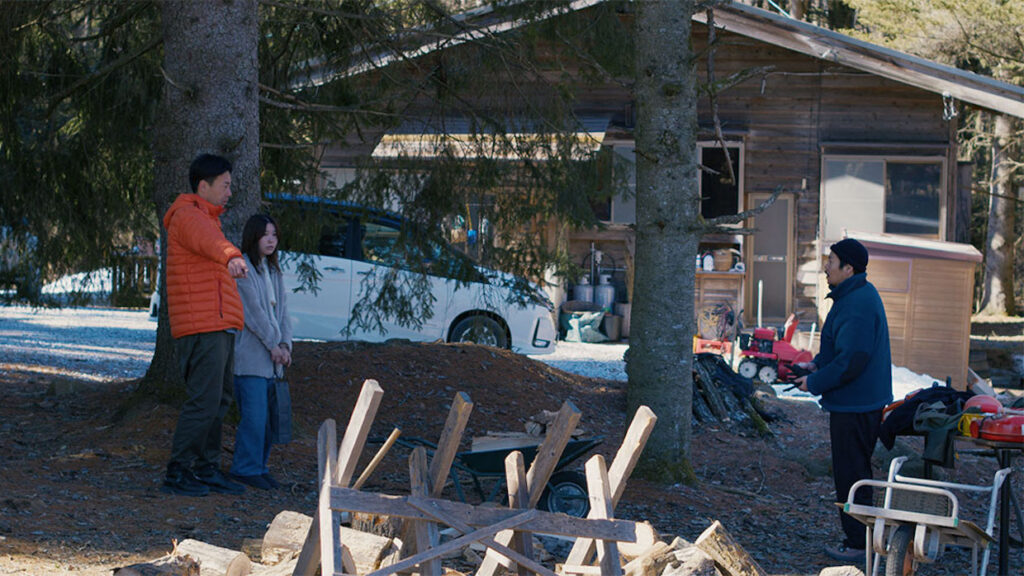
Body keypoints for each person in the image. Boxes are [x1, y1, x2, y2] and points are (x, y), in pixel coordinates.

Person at [794, 237, 893, 563]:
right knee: (853, 472)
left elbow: (853, 359)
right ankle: (863, 540)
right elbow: (838, 349)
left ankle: (858, 545)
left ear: (848, 267)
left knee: (853, 475)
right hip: (854, 402)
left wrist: (815, 382)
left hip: (858, 404)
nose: (826, 267)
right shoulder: (850, 296)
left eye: (831, 261)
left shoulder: (858, 302)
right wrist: (816, 365)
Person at [162, 153, 249, 497]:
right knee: (204, 400)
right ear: (204, 186)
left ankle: (206, 467)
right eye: (225, 185)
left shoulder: (208, 218)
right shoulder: (188, 214)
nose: (230, 191)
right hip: (202, 327)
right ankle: (177, 471)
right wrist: (232, 255)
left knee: (219, 399)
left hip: (216, 324)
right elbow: (211, 245)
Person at [229, 214, 293, 490]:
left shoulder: (274, 271)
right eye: (265, 234)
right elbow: (252, 314)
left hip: (273, 360)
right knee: (253, 417)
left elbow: (284, 314)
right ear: (253, 237)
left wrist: (286, 346)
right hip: (251, 359)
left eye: (274, 235)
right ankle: (244, 467)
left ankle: (259, 466)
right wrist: (274, 345)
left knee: (268, 420)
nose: (271, 240)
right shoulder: (244, 270)